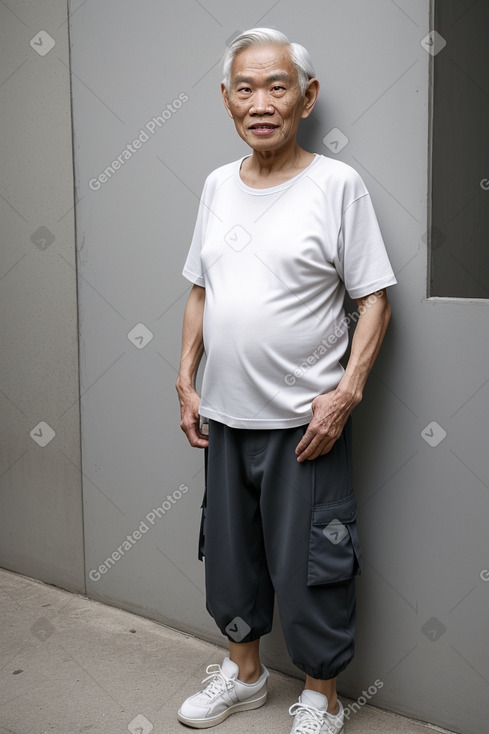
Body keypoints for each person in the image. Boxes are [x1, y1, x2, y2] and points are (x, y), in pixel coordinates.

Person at [175, 27, 396, 734]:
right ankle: (242, 675)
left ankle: (321, 699)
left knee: (313, 565)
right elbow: (200, 291)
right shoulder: (215, 185)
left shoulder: (336, 184)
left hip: (306, 422)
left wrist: (348, 391)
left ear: (307, 96)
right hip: (226, 417)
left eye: (276, 86)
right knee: (230, 560)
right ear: (226, 99)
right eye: (245, 88)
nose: (260, 102)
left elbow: (375, 300)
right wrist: (185, 377)